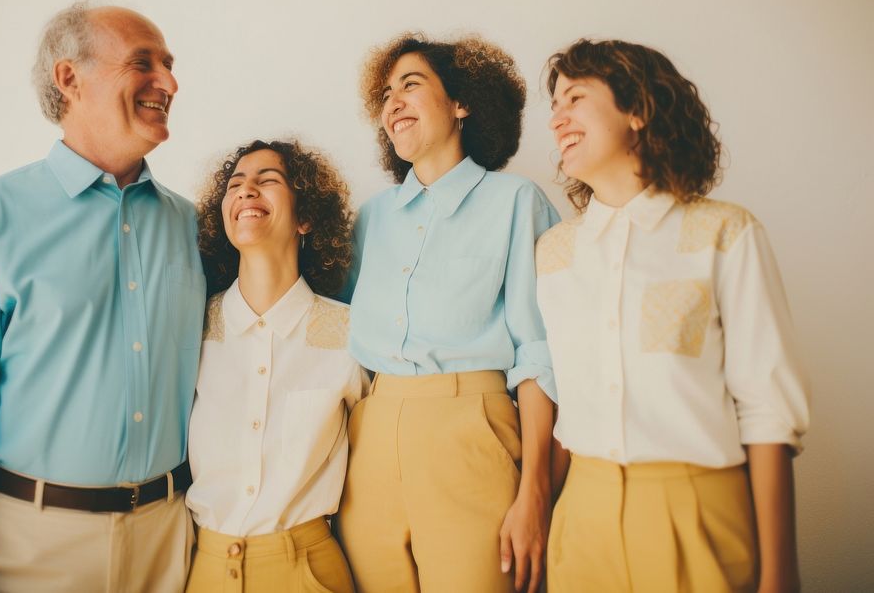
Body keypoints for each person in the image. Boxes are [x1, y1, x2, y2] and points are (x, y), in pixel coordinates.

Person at [0, 0, 206, 593]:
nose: (168, 82)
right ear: (69, 78)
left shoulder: (194, 227)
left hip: (171, 545)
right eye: (143, 63)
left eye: (169, 66)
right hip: (26, 551)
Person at [537, 38, 810, 592]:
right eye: (554, 105)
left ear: (637, 110)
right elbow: (566, 400)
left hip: (697, 513)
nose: (557, 119)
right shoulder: (554, 252)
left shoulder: (725, 233)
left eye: (575, 98)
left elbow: (767, 413)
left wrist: (780, 576)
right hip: (581, 522)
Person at [338, 33, 560, 593]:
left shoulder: (517, 203)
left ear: (462, 102)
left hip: (474, 435)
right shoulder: (371, 219)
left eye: (411, 85)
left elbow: (541, 354)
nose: (393, 103)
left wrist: (537, 492)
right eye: (386, 94)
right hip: (369, 446)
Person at [185, 139, 364, 592]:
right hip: (203, 571)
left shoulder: (352, 334)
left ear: (305, 218)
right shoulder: (190, 330)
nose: (246, 191)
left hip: (308, 571)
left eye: (267, 180)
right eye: (235, 184)